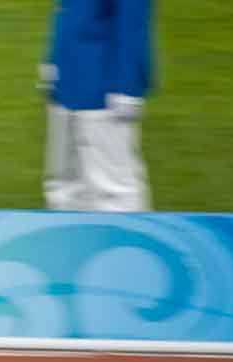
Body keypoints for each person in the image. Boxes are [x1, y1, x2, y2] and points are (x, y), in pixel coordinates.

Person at [40, 0, 154, 211]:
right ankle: (68, 232)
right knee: (63, 189)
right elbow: (67, 10)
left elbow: (133, 22)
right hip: (66, 82)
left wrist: (128, 88)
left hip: (104, 90)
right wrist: (53, 61)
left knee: (114, 190)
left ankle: (124, 232)